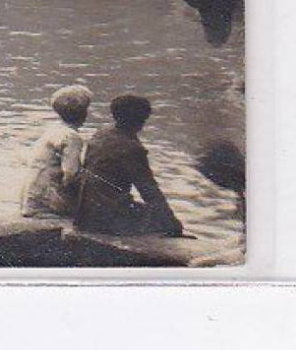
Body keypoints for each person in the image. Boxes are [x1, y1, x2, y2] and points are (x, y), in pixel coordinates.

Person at [74, 94, 185, 237]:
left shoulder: (101, 134)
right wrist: (172, 223)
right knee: (162, 221)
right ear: (140, 120)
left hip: (85, 213)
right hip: (107, 218)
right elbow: (148, 189)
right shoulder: (131, 148)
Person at [20, 85, 91, 218]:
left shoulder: (54, 130)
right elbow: (71, 174)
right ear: (83, 113)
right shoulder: (72, 137)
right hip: (46, 202)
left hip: (32, 196)